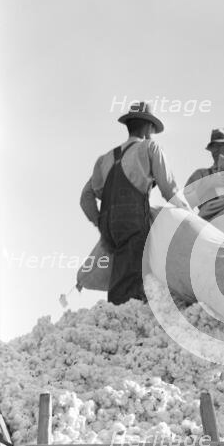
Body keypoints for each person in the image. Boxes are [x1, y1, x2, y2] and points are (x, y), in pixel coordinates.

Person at [80, 101, 189, 305]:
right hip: (134, 221)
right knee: (135, 276)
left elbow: (85, 197)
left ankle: (118, 315)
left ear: (129, 125)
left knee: (121, 271)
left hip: (109, 229)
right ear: (148, 128)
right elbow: (170, 190)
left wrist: (100, 223)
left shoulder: (104, 159)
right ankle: (129, 318)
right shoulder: (150, 148)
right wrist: (190, 215)